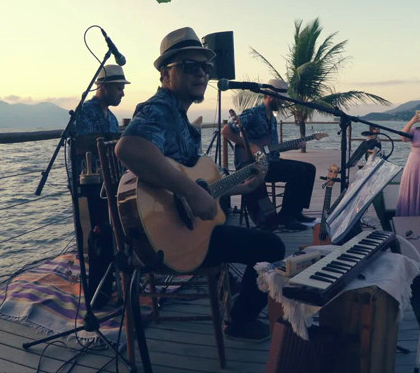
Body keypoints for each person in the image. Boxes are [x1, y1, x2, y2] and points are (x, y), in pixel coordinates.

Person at [115, 27, 285, 342]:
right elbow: (129, 148)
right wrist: (192, 192)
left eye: (204, 67)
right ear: (166, 74)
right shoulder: (160, 109)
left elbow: (203, 185)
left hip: (185, 229)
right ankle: (240, 321)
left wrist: (242, 186)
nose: (201, 74)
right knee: (272, 248)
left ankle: (236, 305)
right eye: (190, 66)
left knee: (260, 239)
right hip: (168, 238)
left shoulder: (180, 118)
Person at [221, 78, 317, 231]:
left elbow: (270, 149)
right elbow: (226, 131)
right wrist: (251, 146)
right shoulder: (252, 113)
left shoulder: (272, 119)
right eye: (281, 100)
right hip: (253, 165)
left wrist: (292, 146)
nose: (283, 103)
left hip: (270, 162)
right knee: (298, 172)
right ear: (271, 96)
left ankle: (294, 212)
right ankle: (286, 217)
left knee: (309, 169)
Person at [76, 64, 129, 135]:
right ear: (104, 87)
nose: (123, 94)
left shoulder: (113, 119)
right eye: (119, 89)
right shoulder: (84, 113)